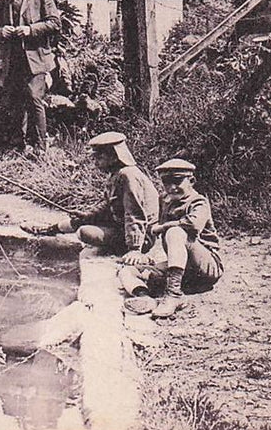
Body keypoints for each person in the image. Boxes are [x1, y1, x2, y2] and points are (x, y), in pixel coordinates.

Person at [22, 132, 159, 259]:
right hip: (122, 225)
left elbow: (134, 213)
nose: (96, 162)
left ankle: (123, 247)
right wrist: (88, 215)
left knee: (85, 232)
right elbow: (107, 205)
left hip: (143, 236)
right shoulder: (116, 174)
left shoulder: (128, 175)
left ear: (114, 156)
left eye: (100, 157)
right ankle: (50, 230)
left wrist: (134, 248)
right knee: (82, 220)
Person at [120, 159, 224, 319]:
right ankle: (145, 298)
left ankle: (173, 295)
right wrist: (150, 255)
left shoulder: (198, 202)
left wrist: (162, 227)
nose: (171, 188)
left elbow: (193, 225)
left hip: (205, 268)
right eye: (166, 183)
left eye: (177, 182)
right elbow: (158, 232)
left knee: (175, 231)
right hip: (182, 271)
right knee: (127, 271)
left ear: (191, 181)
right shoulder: (166, 201)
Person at [0, 0, 61, 156]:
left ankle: (40, 147)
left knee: (34, 98)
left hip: (35, 57)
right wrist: (2, 31)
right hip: (12, 58)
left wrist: (30, 30)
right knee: (14, 100)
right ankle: (17, 145)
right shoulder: (3, 1)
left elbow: (55, 23)